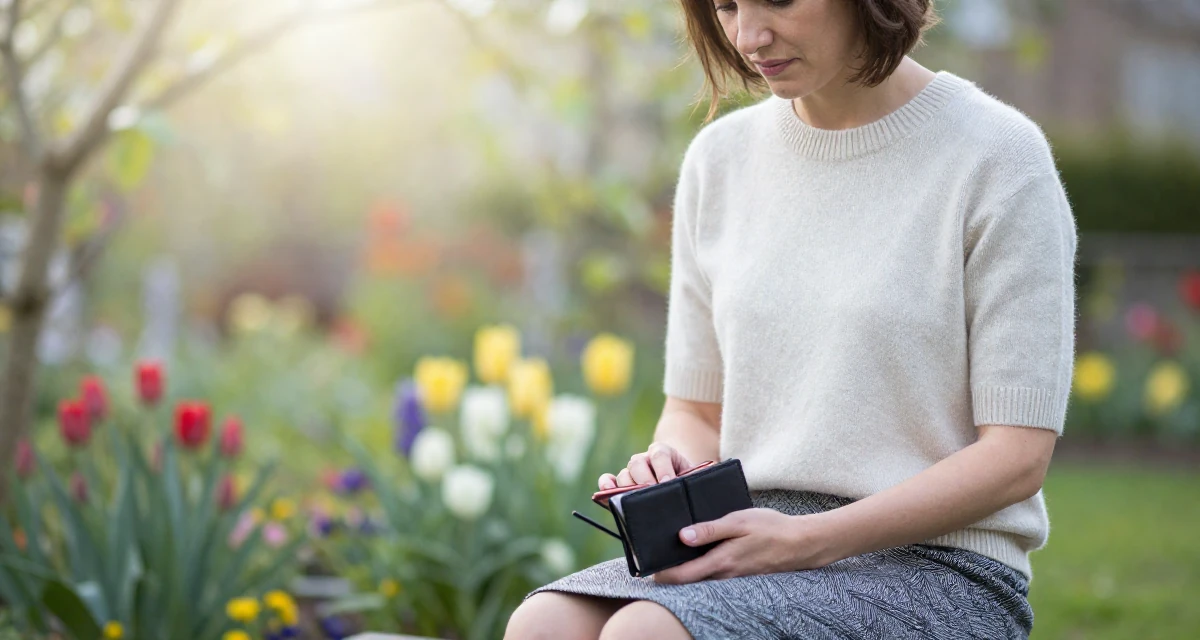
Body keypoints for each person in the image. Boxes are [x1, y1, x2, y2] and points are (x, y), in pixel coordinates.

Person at [506, 0, 1077, 638]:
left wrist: (808, 540)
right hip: (751, 542)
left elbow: (1017, 456)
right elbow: (696, 412)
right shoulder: (718, 160)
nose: (749, 36)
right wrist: (673, 466)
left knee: (648, 633)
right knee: (543, 623)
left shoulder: (999, 158)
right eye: (726, 5)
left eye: (777, 0)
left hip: (942, 567)